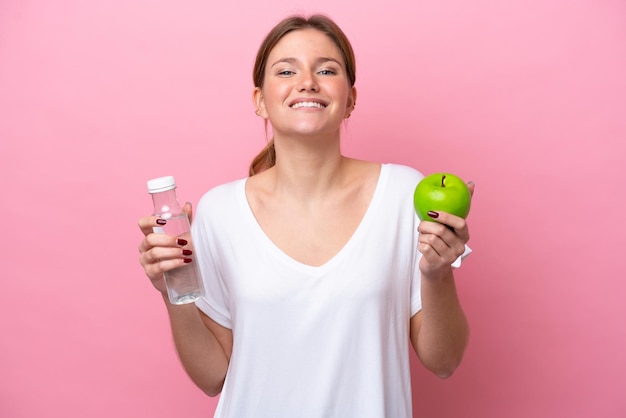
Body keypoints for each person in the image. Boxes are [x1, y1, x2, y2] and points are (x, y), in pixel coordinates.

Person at [138, 13, 473, 418]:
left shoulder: (403, 194)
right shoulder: (218, 212)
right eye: (286, 70)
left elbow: (445, 361)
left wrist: (437, 273)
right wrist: (173, 288)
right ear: (260, 100)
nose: (308, 81)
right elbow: (212, 376)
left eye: (327, 69)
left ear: (350, 98)